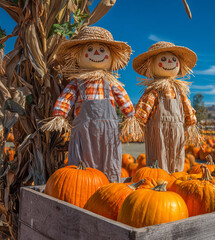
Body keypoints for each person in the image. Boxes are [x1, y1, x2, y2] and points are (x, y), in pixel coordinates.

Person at [42, 26, 141, 182]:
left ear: (110, 57)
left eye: (102, 50)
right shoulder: (77, 82)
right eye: (90, 49)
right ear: (78, 55)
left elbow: (123, 97)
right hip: (84, 129)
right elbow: (66, 98)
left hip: (108, 132)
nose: (96, 53)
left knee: (108, 159)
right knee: (84, 161)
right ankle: (84, 184)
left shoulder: (111, 82)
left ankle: (109, 184)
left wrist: (130, 115)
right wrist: (60, 115)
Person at [133, 41, 200, 173]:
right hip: (158, 130)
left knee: (177, 156)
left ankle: (176, 177)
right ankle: (160, 180)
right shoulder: (154, 90)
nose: (168, 62)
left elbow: (186, 105)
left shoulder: (179, 90)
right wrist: (139, 121)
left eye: (173, 60)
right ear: (151, 65)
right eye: (163, 59)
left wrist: (191, 120)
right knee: (159, 156)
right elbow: (145, 105)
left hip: (177, 129)